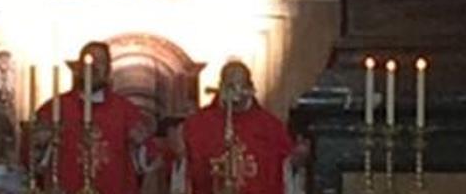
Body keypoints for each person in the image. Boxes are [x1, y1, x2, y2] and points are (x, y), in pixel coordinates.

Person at [24, 41, 155, 194]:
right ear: (78, 68)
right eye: (89, 60)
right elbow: (30, 159)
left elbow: (149, 159)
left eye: (100, 62)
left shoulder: (125, 110)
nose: (93, 66)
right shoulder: (55, 108)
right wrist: (39, 144)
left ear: (108, 70)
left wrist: (140, 145)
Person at [178, 61, 308, 194]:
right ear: (220, 87)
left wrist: (295, 162)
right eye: (230, 86)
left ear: (250, 89)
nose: (235, 93)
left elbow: (285, 170)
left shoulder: (271, 128)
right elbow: (185, 171)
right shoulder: (198, 126)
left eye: (241, 85)